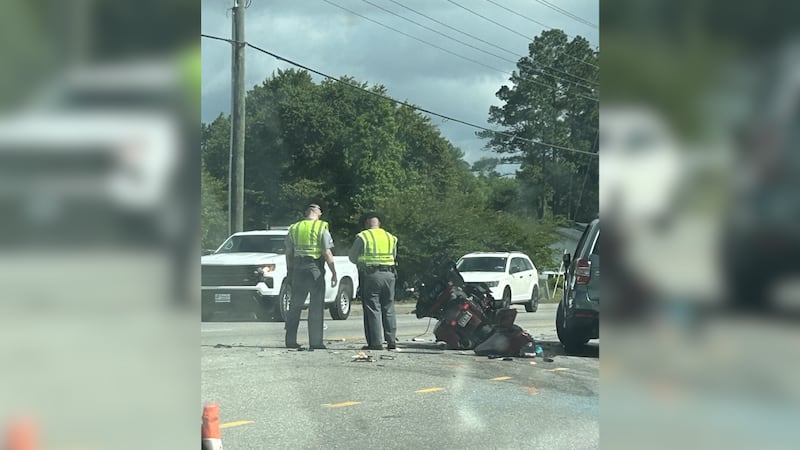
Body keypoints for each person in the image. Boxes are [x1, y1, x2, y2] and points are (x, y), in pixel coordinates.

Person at [284, 203, 337, 350]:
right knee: (316, 306)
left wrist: (290, 272)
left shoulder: (294, 228)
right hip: (314, 269)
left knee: (295, 305)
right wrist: (334, 272)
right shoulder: (321, 227)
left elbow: (288, 253)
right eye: (320, 211)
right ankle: (315, 342)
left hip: (298, 269)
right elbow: (327, 253)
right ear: (315, 212)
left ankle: (290, 340)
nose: (321, 213)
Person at [349, 212, 398, 350]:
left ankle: (376, 343)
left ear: (366, 224)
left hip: (372, 275)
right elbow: (394, 256)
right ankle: (391, 340)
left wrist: (361, 262)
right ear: (379, 223)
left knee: (373, 308)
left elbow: (352, 256)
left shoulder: (363, 236)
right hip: (389, 275)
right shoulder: (390, 237)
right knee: (388, 307)